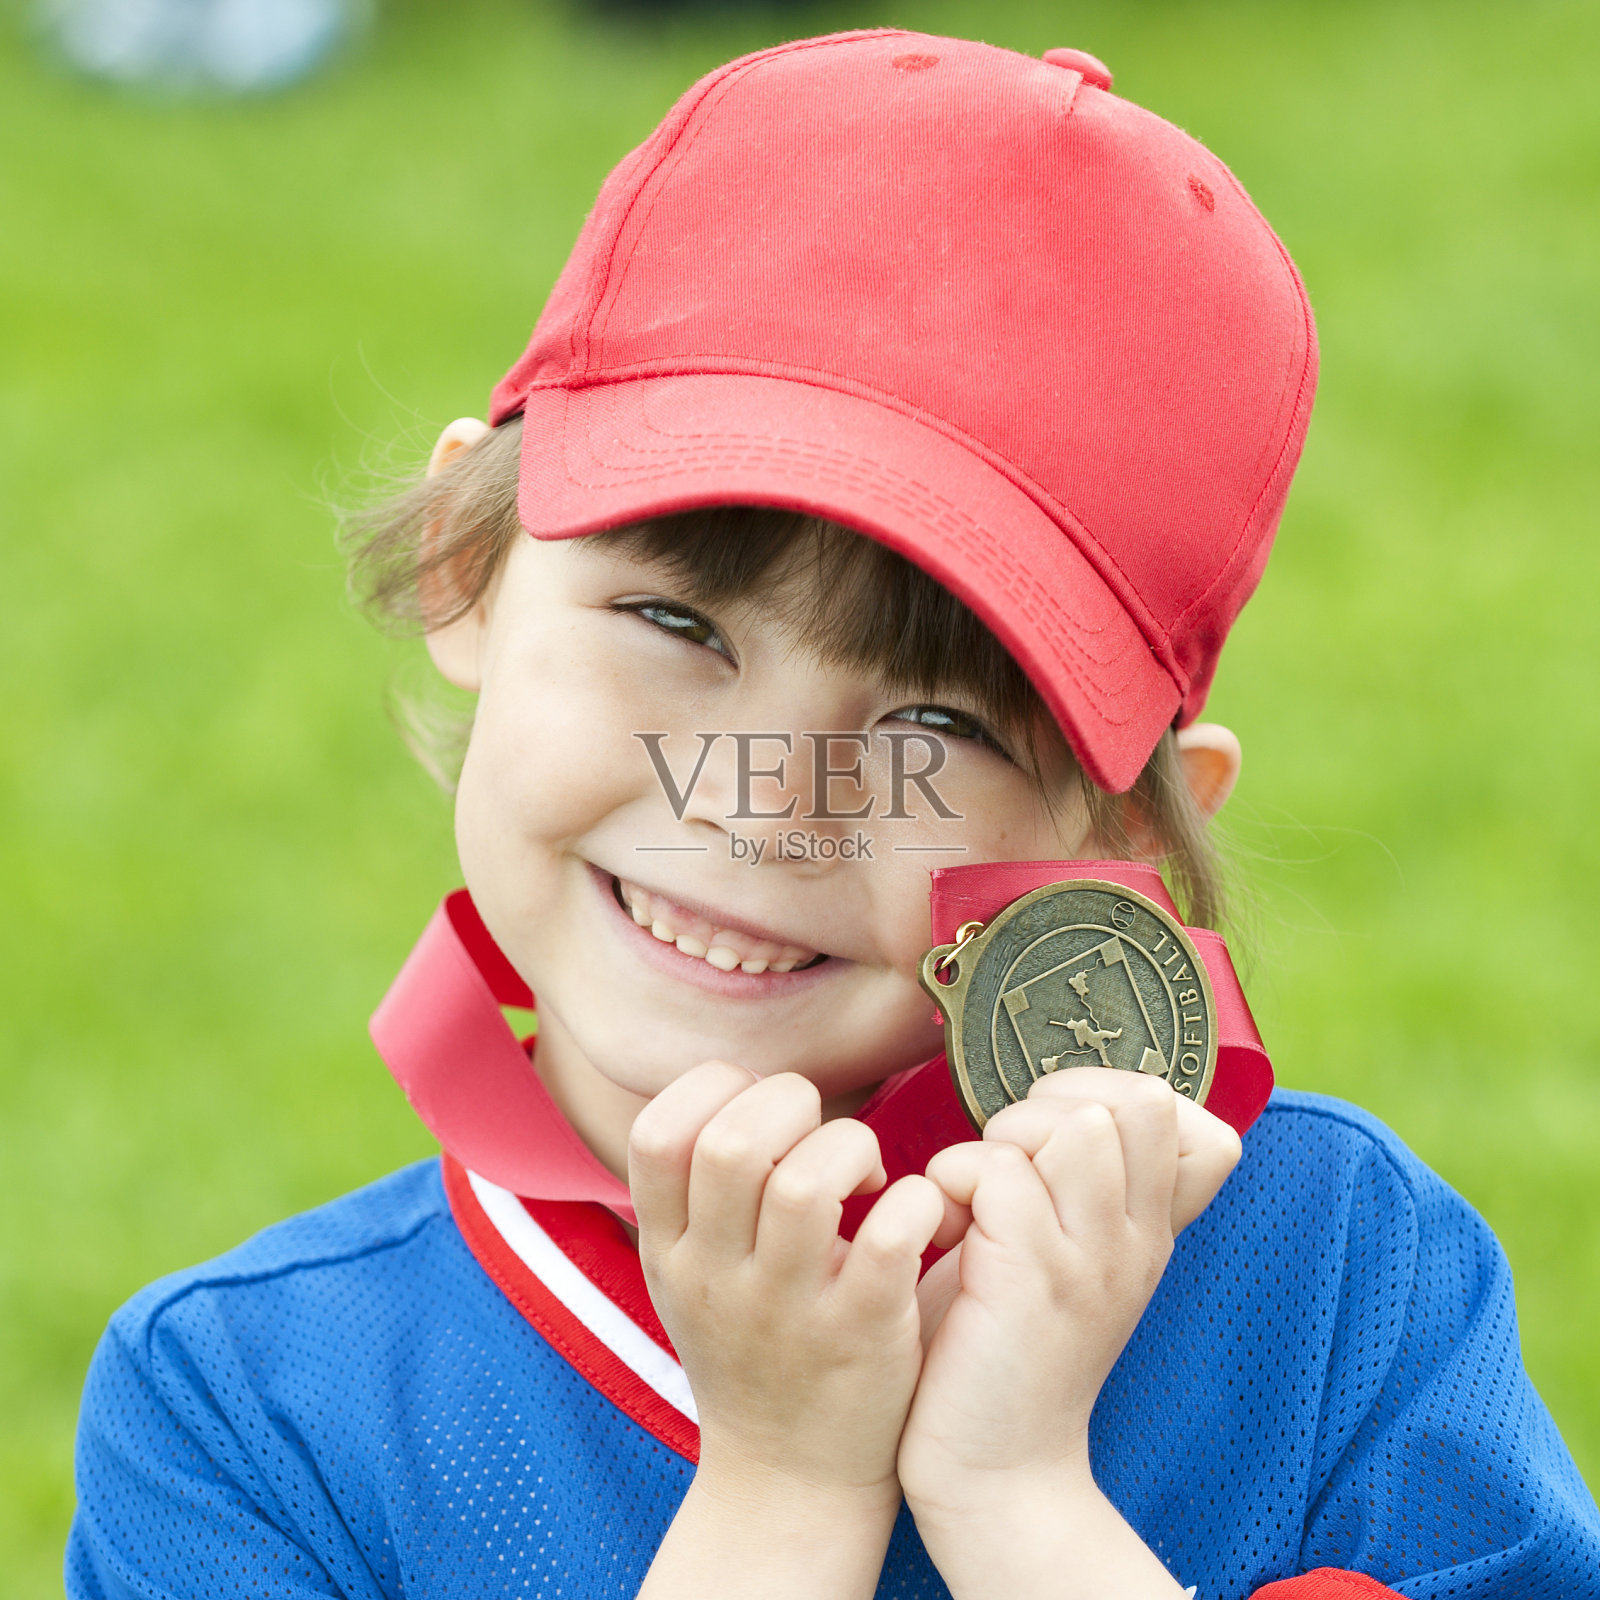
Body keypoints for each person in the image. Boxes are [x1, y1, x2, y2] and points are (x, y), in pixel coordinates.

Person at [64, 29, 1600, 1600]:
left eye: (937, 722)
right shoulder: (245, 1423)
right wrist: (783, 1494)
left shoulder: (1336, 1281)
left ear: (1123, 838)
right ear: (472, 566)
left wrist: (1016, 1499)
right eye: (677, 624)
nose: (765, 809)